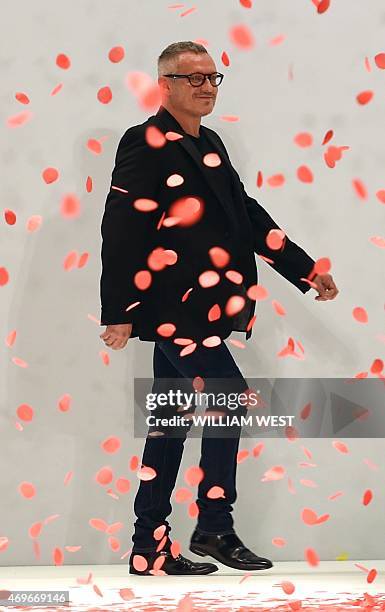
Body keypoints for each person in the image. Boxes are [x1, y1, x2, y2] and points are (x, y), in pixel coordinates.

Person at [99, 41, 339, 576]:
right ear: (164, 86)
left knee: (169, 420)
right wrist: (118, 310)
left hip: (209, 307)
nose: (206, 87)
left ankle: (148, 546)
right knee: (228, 398)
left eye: (213, 78)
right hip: (171, 307)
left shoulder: (212, 143)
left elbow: (244, 213)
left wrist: (303, 268)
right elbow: (120, 229)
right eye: (193, 79)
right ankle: (214, 526)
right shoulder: (144, 143)